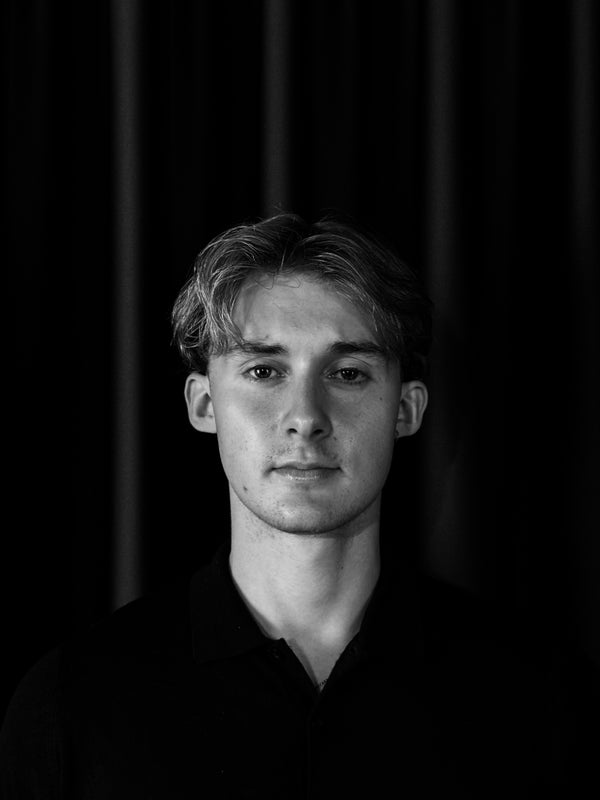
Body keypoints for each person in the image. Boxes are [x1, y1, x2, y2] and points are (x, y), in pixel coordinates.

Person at [0, 213, 596, 798]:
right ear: (204, 405)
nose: (306, 417)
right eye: (264, 370)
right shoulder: (74, 704)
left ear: (405, 411)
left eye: (348, 373)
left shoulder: (536, 698)